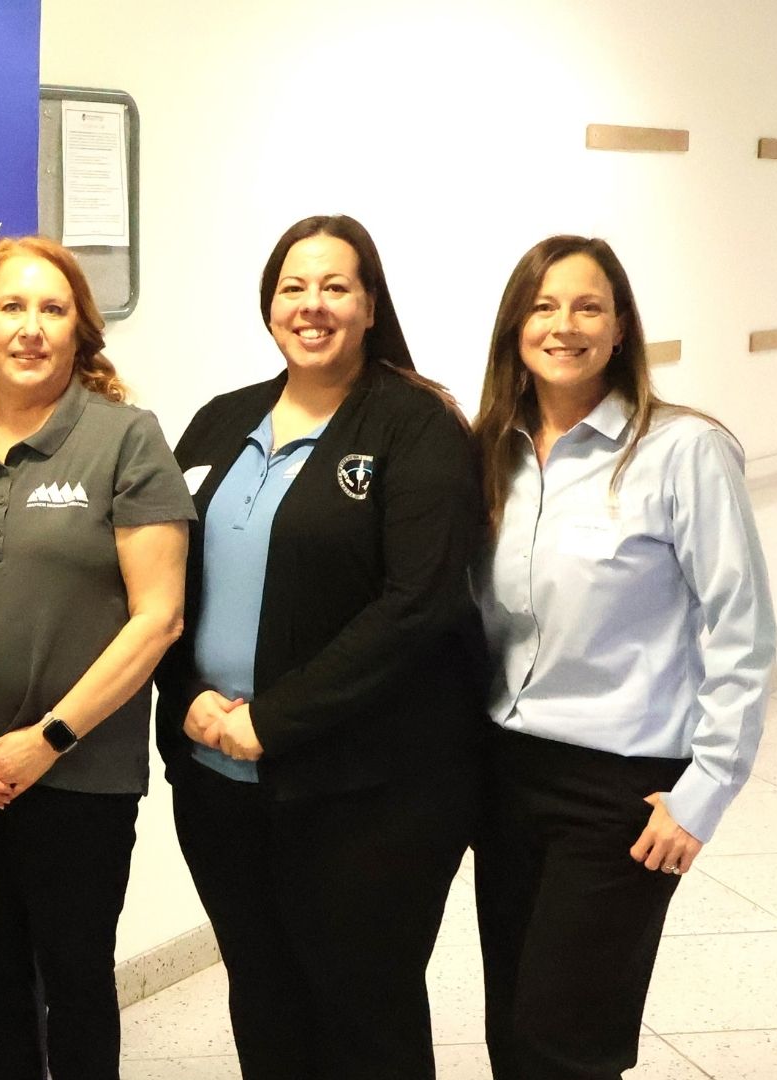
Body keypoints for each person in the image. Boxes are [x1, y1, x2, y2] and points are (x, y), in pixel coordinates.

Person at [151, 215, 486, 1078]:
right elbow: (161, 584)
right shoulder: (220, 423)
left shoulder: (417, 426)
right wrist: (185, 693)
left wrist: (274, 719)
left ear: (371, 304)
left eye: (336, 286)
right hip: (218, 782)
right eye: (294, 287)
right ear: (269, 305)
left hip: (368, 790)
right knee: (262, 995)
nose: (313, 305)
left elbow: (417, 605)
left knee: (362, 1012)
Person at [0, 235, 192, 1080]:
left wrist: (46, 739)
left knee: (78, 983)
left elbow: (157, 619)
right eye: (11, 307)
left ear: (81, 333)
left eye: (53, 310)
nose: (31, 328)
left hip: (78, 775)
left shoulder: (127, 440)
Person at [471, 236, 775, 1079]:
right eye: (542, 306)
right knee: (513, 1026)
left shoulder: (682, 450)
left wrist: (703, 793)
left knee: (567, 1042)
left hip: (621, 787)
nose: (563, 325)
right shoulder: (491, 451)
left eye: (587, 306)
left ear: (619, 326)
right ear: (514, 328)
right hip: (504, 773)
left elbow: (742, 630)